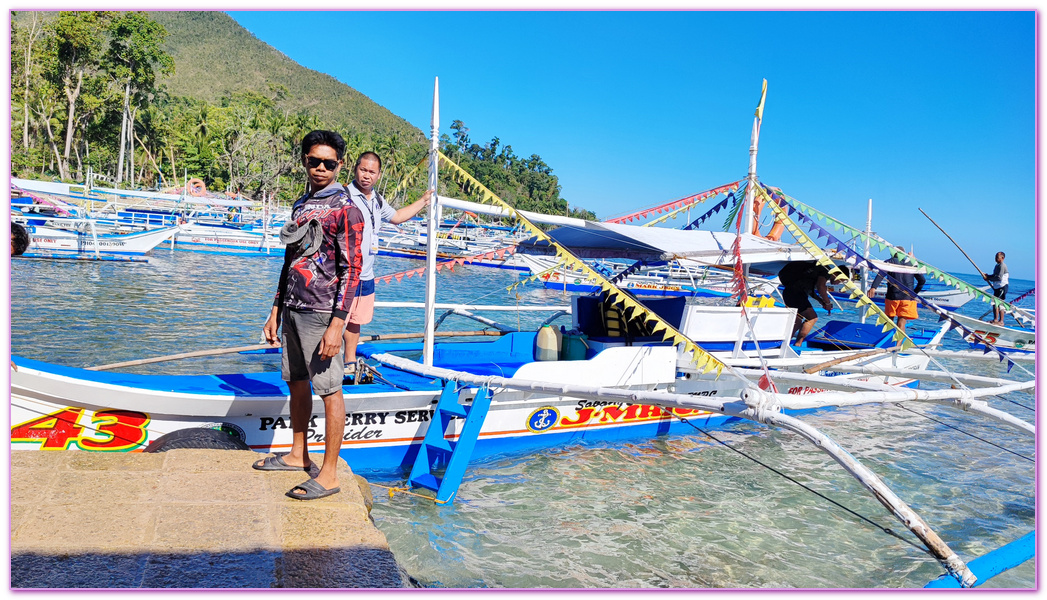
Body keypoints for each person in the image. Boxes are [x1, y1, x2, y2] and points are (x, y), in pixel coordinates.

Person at [255, 130, 365, 501]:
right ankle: (297, 455)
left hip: (322, 312)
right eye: (313, 161)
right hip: (293, 309)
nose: (320, 168)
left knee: (330, 391)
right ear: (304, 160)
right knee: (296, 382)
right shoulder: (301, 205)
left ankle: (330, 473)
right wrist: (274, 309)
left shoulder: (346, 208)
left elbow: (352, 270)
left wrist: (338, 324)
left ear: (339, 166)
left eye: (328, 163)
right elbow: (289, 261)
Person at [341, 151, 433, 376]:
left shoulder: (378, 200)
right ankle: (325, 362)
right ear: (355, 170)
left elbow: (398, 216)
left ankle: (349, 362)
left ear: (379, 175)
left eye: (372, 172)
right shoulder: (343, 195)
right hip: (343, 272)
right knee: (334, 318)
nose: (366, 176)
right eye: (363, 170)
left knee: (355, 321)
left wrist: (423, 201)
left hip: (366, 274)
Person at [778, 261, 843, 346]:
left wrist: (820, 300)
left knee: (797, 320)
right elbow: (821, 287)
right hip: (796, 293)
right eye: (841, 280)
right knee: (812, 318)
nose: (839, 283)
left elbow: (809, 290)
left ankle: (783, 343)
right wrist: (827, 303)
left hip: (791, 292)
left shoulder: (816, 272)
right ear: (837, 274)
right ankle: (797, 344)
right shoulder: (826, 271)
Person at [869, 247, 926, 334]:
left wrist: (873, 287)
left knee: (889, 321)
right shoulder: (911, 263)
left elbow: (881, 274)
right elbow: (922, 281)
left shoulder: (890, 262)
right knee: (901, 324)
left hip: (892, 297)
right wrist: (914, 293)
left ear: (893, 253)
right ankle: (898, 345)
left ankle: (887, 342)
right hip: (907, 298)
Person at [983, 252, 1009, 325]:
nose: (996, 259)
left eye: (997, 257)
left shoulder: (1002, 266)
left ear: (1002, 258)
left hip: (1002, 287)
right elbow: (994, 275)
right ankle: (995, 320)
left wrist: (989, 278)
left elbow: (999, 277)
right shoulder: (997, 266)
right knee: (995, 303)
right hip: (997, 287)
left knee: (1000, 304)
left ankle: (1001, 321)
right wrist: (988, 276)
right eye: (995, 257)